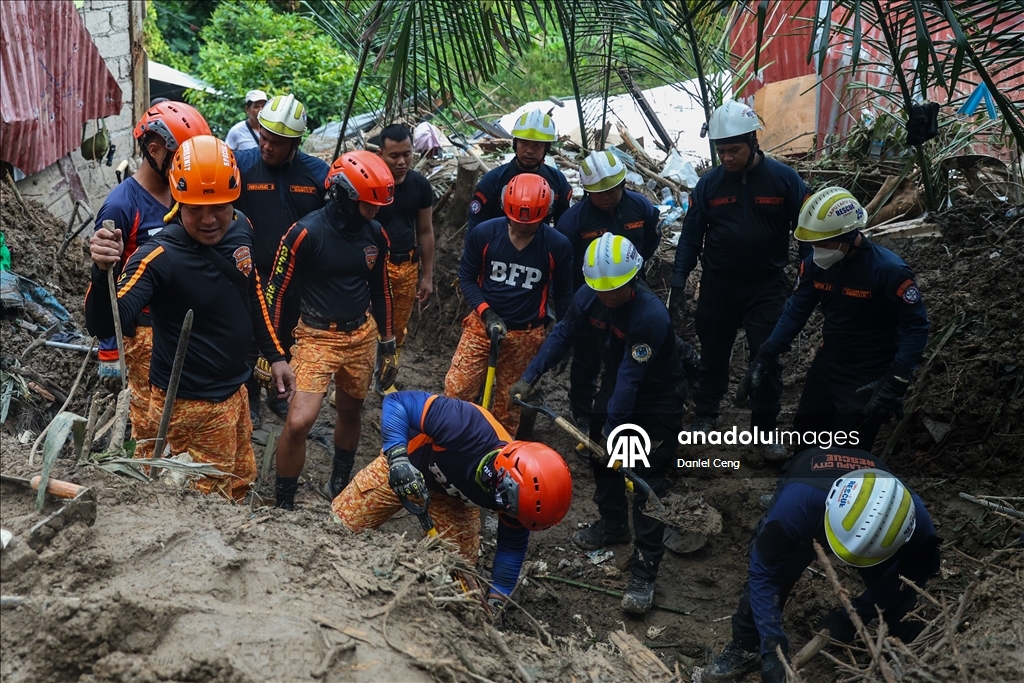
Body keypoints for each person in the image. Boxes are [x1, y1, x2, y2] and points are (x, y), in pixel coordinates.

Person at [85, 135, 295, 500]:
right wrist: (101, 272)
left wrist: (275, 355)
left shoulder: (241, 228)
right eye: (195, 208)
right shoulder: (158, 257)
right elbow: (107, 325)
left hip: (236, 393)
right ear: (178, 200)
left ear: (233, 200)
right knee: (199, 500)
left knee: (239, 481)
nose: (209, 220)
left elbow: (252, 293)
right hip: (188, 407)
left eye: (219, 207)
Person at [512, 233, 686, 615]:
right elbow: (563, 335)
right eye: (601, 290)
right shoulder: (590, 296)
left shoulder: (650, 316)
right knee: (601, 460)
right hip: (615, 386)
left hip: (656, 398)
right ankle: (613, 526)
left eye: (616, 290)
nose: (608, 297)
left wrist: (614, 431)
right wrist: (531, 374)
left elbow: (632, 377)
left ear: (632, 280)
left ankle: (645, 571)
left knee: (646, 483)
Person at [702, 446, 940, 683]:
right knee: (779, 569)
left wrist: (853, 614)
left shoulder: (917, 525)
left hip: (855, 515)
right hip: (811, 490)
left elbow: (912, 578)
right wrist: (772, 645)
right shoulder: (796, 506)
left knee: (899, 589)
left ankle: (903, 652)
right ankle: (747, 646)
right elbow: (764, 572)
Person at [332, 390, 573, 608]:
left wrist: (498, 598)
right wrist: (397, 459)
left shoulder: (519, 503)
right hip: (406, 466)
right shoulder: (464, 424)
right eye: (511, 512)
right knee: (336, 530)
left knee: (459, 588)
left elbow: (511, 547)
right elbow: (398, 402)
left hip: (454, 499)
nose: (512, 518)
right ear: (502, 481)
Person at [670, 101, 809, 461]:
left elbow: (808, 229)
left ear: (753, 142)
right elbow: (690, 236)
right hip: (719, 285)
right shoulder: (710, 185)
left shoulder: (783, 180)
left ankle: (764, 430)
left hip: (767, 286)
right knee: (713, 353)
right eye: (721, 151)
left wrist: (808, 278)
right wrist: (678, 281)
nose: (727, 158)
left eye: (734, 150)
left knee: (768, 357)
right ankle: (705, 416)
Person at [742, 187, 930, 453]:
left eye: (823, 243)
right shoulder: (817, 264)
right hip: (828, 364)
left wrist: (896, 380)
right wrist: (765, 355)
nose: (816, 250)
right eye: (813, 244)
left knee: (847, 451)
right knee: (806, 436)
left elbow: (916, 326)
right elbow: (797, 310)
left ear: (849, 236)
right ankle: (796, 487)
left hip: (869, 372)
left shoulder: (888, 270)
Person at [266, 151, 398, 509]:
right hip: (316, 336)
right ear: (342, 197)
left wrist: (388, 342)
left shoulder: (376, 235)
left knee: (352, 411)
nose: (374, 212)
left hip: (361, 336)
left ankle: (339, 479)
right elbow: (276, 291)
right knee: (298, 422)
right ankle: (284, 501)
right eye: (367, 205)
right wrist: (272, 351)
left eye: (376, 206)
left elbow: (381, 289)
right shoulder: (305, 233)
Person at [94, 101, 212, 458]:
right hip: (144, 333)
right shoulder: (121, 206)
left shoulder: (182, 192)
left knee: (183, 414)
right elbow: (104, 280)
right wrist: (109, 348)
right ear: (155, 149)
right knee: (150, 419)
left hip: (183, 323)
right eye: (179, 158)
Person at [445, 174, 573, 436]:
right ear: (505, 208)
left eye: (531, 222)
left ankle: (499, 460)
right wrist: (487, 313)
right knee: (456, 391)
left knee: (509, 405)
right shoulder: (485, 234)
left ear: (546, 213)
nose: (522, 227)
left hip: (525, 335)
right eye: (516, 220)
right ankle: (451, 446)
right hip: (482, 326)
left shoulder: (557, 246)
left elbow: (563, 296)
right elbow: (467, 278)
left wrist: (564, 339)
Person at [235, 94, 329, 424]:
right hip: (253, 274)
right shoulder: (242, 166)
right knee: (249, 340)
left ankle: (279, 395)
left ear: (295, 142)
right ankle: (250, 400)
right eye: (263, 138)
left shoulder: (317, 175)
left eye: (276, 143)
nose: (267, 147)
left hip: (298, 280)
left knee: (288, 339)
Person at [556, 150, 661, 429]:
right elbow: (563, 268)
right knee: (587, 354)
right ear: (587, 192)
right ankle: (581, 408)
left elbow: (652, 237)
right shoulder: (572, 222)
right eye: (598, 192)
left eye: (612, 190)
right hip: (591, 295)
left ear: (622, 184)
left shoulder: (640, 207)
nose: (606, 197)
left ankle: (631, 403)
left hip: (631, 290)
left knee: (631, 349)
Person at [373, 123, 435, 392]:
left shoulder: (419, 185)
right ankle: (351, 384)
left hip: (406, 265)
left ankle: (385, 378)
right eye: (394, 156)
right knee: (365, 326)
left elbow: (425, 230)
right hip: (373, 265)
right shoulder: (370, 182)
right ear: (380, 154)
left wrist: (428, 275)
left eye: (407, 154)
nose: (401, 161)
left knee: (397, 327)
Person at [466, 109, 571, 233]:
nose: (529, 150)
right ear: (515, 143)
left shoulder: (557, 181)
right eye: (524, 143)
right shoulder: (493, 180)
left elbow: (564, 229)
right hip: (496, 248)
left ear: (547, 148)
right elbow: (475, 230)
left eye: (537, 145)